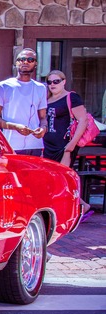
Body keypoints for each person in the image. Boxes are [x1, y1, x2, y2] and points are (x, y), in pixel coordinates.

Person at [42, 69, 91, 217]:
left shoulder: (71, 97)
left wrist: (71, 145)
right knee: (53, 179)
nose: (52, 84)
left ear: (63, 82)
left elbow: (83, 120)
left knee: (62, 177)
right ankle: (79, 205)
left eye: (56, 81)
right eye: (49, 82)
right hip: (48, 146)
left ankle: (77, 207)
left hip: (64, 146)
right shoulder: (46, 100)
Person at [0, 48, 48, 156]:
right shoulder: (3, 86)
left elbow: (43, 117)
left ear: (35, 64)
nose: (25, 62)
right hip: (11, 144)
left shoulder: (41, 88)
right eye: (21, 59)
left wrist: (43, 129)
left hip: (35, 145)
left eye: (30, 60)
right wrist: (15, 127)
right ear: (16, 63)